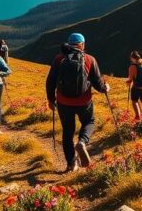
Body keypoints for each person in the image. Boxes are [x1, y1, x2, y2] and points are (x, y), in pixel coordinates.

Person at [46, 32, 109, 172]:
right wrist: (105, 88)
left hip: (63, 102)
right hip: (84, 101)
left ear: (69, 43)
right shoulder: (89, 59)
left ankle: (71, 164)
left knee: (67, 132)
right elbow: (98, 83)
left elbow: (50, 81)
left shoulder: (58, 59)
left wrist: (51, 100)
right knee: (89, 122)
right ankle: (82, 142)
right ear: (83, 44)